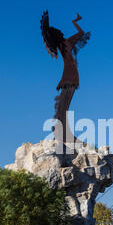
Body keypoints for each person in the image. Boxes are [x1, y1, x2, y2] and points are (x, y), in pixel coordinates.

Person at [41, 11, 91, 143]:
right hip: (70, 74)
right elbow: (80, 34)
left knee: (64, 105)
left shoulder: (65, 44)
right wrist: (76, 22)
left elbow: (80, 34)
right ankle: (63, 134)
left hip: (71, 74)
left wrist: (76, 22)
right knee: (64, 105)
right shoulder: (65, 44)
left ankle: (64, 133)